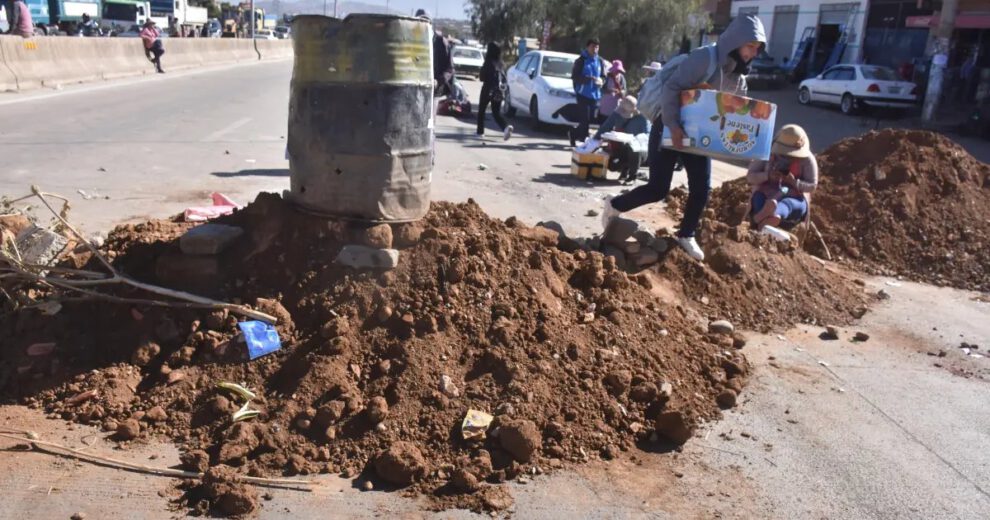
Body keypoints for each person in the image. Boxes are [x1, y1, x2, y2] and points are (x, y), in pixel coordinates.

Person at [601, 14, 767, 261]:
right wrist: (674, 126)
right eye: (750, 46)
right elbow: (672, 87)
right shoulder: (704, 58)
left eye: (757, 49)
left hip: (700, 138)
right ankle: (615, 205)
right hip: (668, 126)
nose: (752, 53)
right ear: (736, 41)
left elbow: (736, 116)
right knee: (658, 188)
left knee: (701, 188)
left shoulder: (739, 79)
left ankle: (686, 234)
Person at [747, 125, 817, 235]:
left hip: (793, 196)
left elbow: (812, 185)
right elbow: (750, 177)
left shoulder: (807, 160)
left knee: (788, 204)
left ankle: (771, 216)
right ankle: (765, 216)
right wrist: (768, 175)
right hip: (767, 192)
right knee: (758, 198)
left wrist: (794, 182)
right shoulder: (766, 153)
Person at [594, 95, 649, 185]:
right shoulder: (616, 113)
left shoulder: (642, 118)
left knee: (634, 148)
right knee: (610, 162)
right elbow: (604, 127)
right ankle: (624, 170)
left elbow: (647, 137)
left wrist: (635, 139)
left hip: (638, 150)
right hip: (620, 147)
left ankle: (632, 175)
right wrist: (593, 141)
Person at [570, 38, 606, 146]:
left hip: (595, 95)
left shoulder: (600, 61)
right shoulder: (580, 60)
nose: (595, 49)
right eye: (592, 46)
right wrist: (588, 79)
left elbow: (603, 76)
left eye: (597, 47)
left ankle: (573, 133)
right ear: (587, 47)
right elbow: (575, 77)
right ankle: (584, 143)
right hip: (582, 94)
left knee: (591, 120)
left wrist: (602, 81)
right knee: (584, 119)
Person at [477, 42, 513, 141]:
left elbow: (482, 77)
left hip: (487, 89)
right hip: (498, 91)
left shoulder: (488, 62)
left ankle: (480, 132)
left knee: (481, 111)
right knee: (496, 113)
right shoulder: (501, 64)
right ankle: (505, 127)